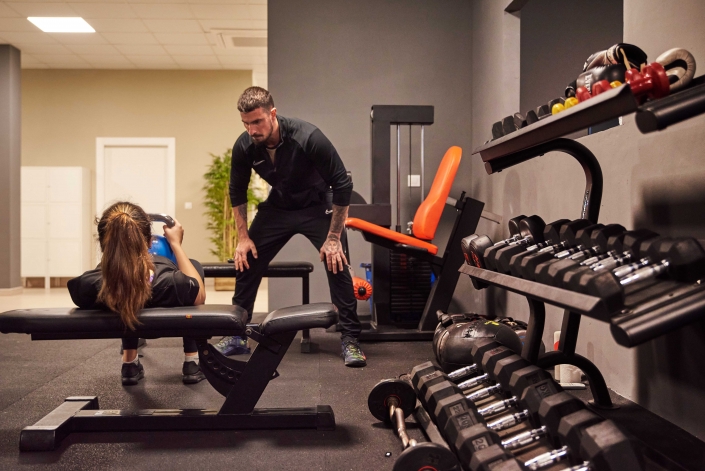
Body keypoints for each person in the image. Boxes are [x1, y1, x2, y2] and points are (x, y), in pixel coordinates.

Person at [214, 86, 367, 367]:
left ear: (273, 114)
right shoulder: (244, 146)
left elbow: (342, 184)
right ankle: (236, 335)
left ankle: (350, 339)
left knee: (336, 261)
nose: (252, 130)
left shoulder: (308, 137)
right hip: (280, 206)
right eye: (246, 123)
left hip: (317, 205)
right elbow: (237, 190)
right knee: (246, 258)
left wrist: (334, 237)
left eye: (257, 121)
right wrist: (243, 238)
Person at [67, 202, 208, 385]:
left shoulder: (85, 287)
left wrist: (109, 264)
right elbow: (198, 296)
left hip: (119, 291)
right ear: (149, 243)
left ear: (103, 245)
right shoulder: (173, 283)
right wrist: (176, 245)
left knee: (123, 289)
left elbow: (119, 281)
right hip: (163, 284)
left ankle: (129, 362)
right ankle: (192, 360)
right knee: (194, 266)